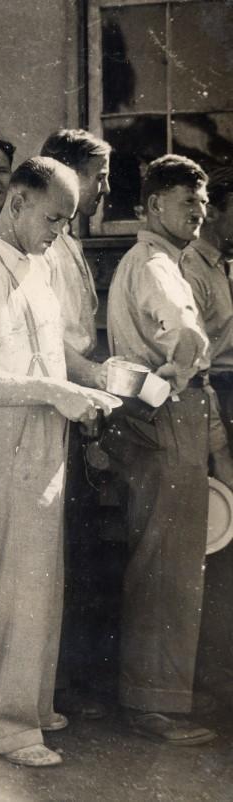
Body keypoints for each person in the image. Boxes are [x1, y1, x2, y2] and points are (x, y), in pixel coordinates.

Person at [0, 157, 114, 768]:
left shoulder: (34, 263)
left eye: (68, 222)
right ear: (16, 203)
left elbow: (50, 353)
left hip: (41, 432)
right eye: (53, 218)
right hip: (3, 436)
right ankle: (3, 727)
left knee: (40, 579)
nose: (60, 232)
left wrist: (91, 379)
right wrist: (55, 393)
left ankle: (31, 704)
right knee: (15, 584)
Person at [106, 154, 230, 746]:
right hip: (163, 415)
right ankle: (152, 701)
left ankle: (164, 687)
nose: (199, 214)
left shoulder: (160, 259)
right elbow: (187, 332)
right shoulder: (155, 264)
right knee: (166, 562)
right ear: (155, 205)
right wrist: (178, 376)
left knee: (172, 556)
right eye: (188, 203)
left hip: (161, 417)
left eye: (203, 204)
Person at [39, 129, 113, 719]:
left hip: (78, 394)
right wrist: (96, 378)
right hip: (62, 398)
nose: (105, 188)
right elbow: (56, 346)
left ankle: (66, 680)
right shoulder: (48, 246)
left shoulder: (67, 244)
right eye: (98, 175)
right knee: (60, 547)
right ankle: (55, 684)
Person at [181, 166, 233, 706]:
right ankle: (212, 675)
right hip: (214, 396)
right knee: (218, 536)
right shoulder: (190, 268)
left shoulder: (222, 264)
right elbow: (198, 360)